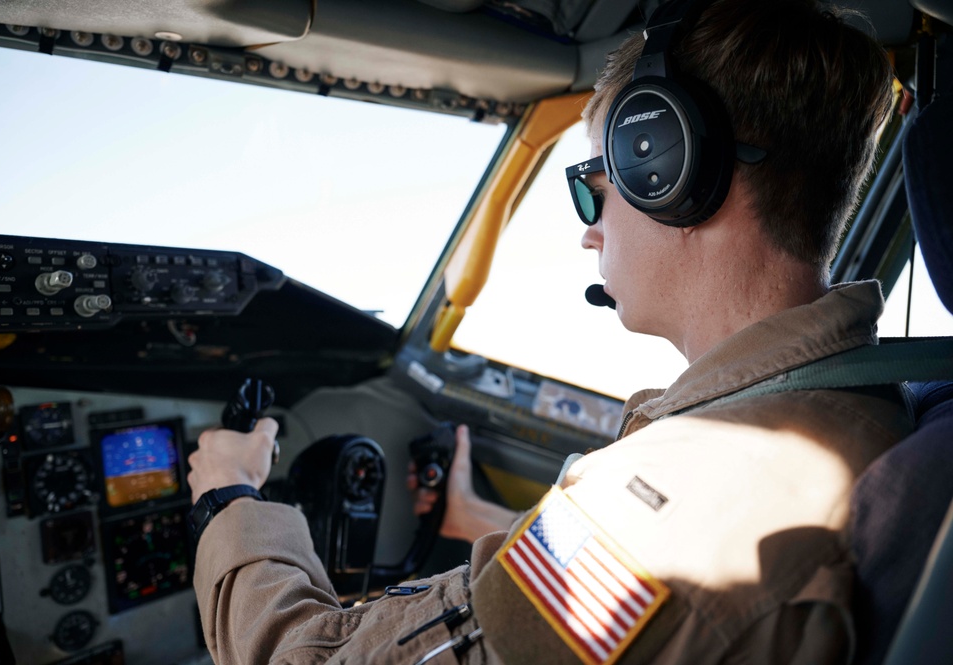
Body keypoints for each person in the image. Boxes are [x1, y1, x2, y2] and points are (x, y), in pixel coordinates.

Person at [187, 0, 912, 662]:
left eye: (593, 187)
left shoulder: (677, 502)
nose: (590, 234)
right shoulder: (869, 409)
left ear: (666, 167)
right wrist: (485, 524)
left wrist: (233, 498)